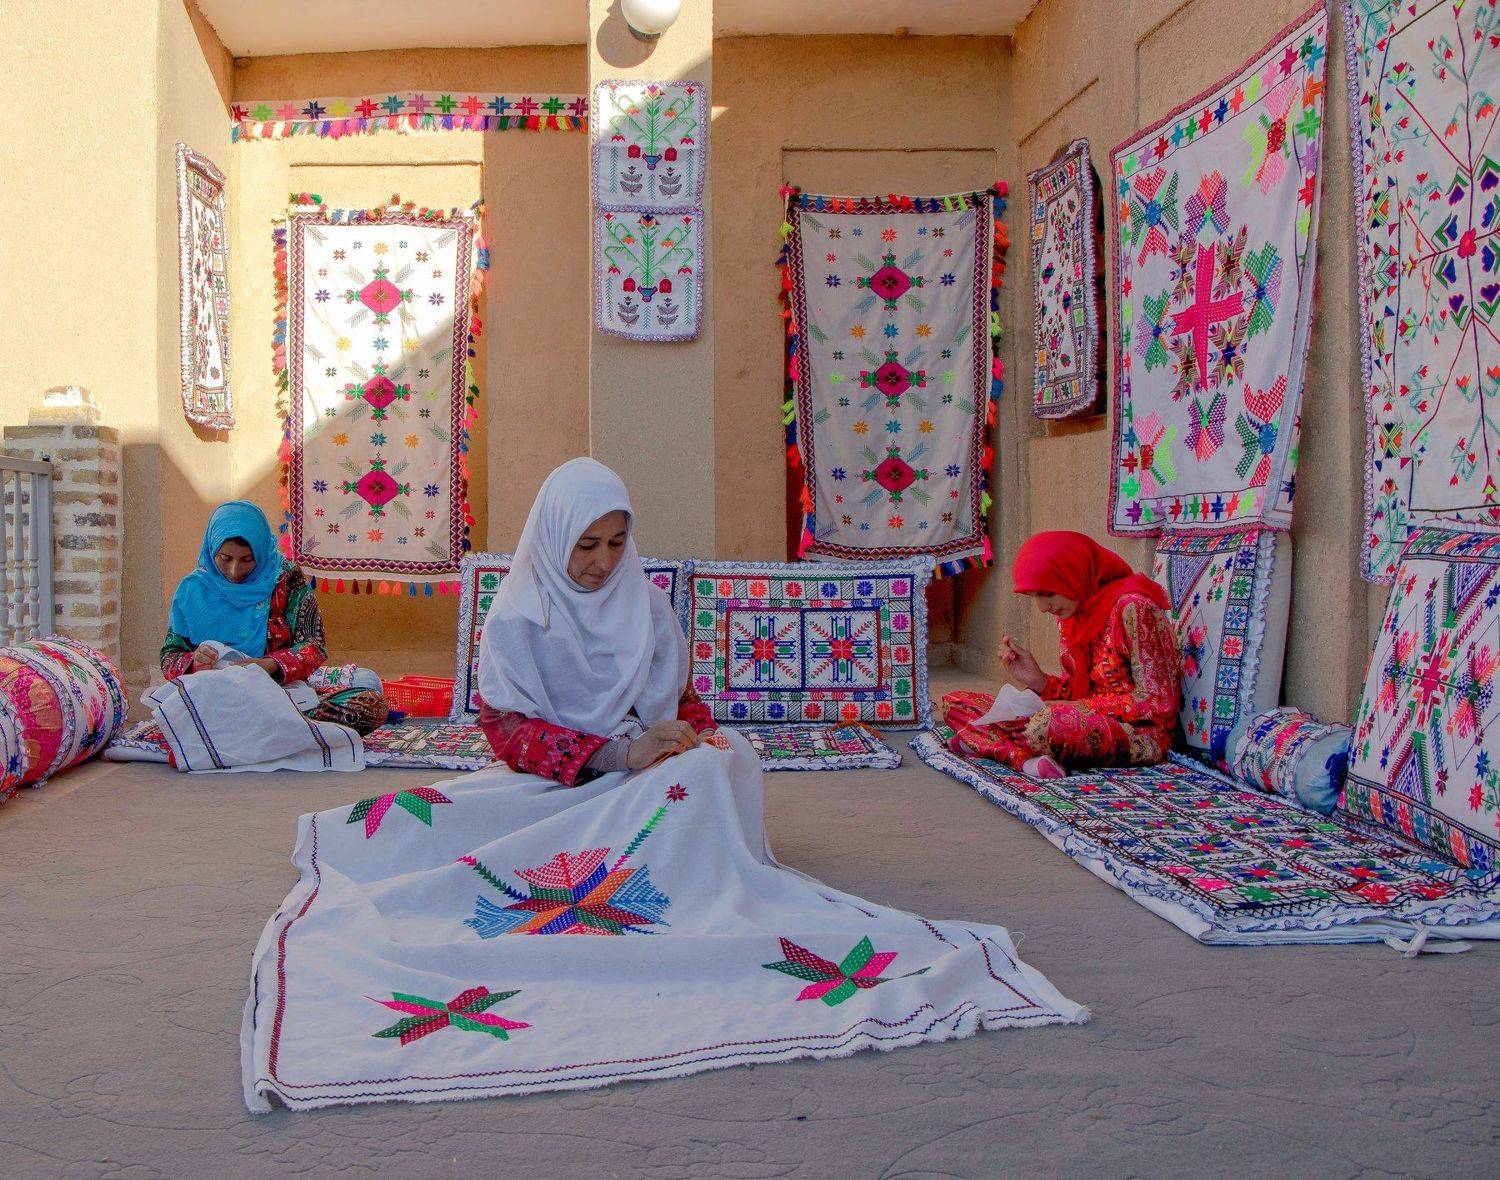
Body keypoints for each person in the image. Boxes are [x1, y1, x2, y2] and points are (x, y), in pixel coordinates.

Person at [476, 459, 717, 785]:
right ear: (555, 536)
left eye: (617, 543)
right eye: (587, 545)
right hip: (554, 780)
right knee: (435, 809)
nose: (605, 562)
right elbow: (507, 731)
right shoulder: (518, 615)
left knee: (722, 768)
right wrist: (622, 754)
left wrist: (702, 737)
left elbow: (683, 703)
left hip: (649, 771)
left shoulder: (649, 605)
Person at [942, 530, 1181, 778]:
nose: (1043, 607)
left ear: (1074, 575)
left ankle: (991, 745)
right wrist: (1039, 681)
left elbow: (1157, 702)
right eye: (1035, 596)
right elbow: (1076, 691)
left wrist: (1079, 708)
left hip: (1138, 732)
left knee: (1044, 726)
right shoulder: (1072, 615)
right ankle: (1023, 760)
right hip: (1076, 717)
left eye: (1047, 593)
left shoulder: (1135, 608)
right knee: (956, 703)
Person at [161, 501, 388, 735]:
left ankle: (261, 730)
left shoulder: (285, 579)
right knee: (179, 710)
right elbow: (170, 658)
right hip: (217, 698)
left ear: (260, 551)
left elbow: (314, 646)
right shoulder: (193, 589)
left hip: (280, 692)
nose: (234, 570)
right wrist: (195, 661)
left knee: (368, 692)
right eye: (225, 558)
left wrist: (267, 665)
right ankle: (281, 732)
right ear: (211, 550)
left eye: (247, 559)